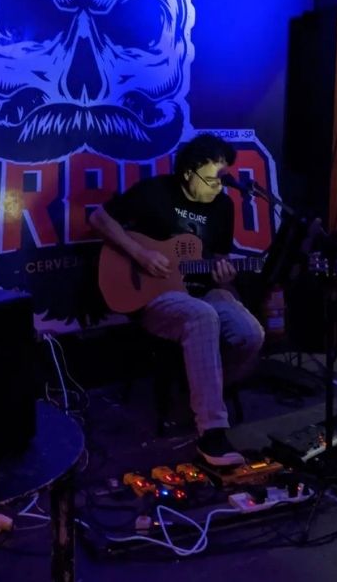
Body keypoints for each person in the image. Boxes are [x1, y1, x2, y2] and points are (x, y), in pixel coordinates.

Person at [89, 133, 264, 466]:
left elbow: (219, 258)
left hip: (202, 290)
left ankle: (198, 391)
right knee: (202, 315)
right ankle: (212, 433)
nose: (218, 188)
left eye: (222, 180)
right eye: (211, 180)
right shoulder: (155, 192)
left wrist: (223, 274)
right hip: (155, 295)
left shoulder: (223, 207)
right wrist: (140, 253)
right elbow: (98, 218)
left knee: (250, 334)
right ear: (187, 173)